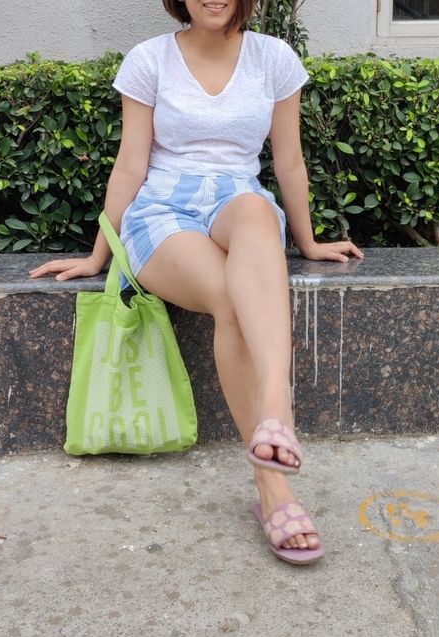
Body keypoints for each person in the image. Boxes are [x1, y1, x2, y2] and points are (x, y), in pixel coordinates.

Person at [29, 0, 363, 565]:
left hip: (239, 201)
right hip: (162, 210)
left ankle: (275, 412)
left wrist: (307, 243)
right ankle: (273, 489)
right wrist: (98, 256)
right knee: (233, 301)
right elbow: (130, 163)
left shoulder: (273, 58)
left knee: (258, 213)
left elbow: (288, 163)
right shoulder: (149, 59)